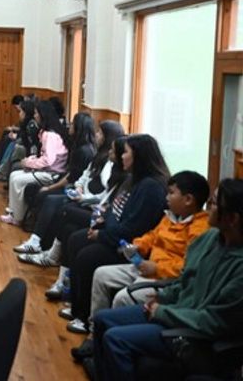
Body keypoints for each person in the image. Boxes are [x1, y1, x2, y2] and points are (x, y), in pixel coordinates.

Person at [89, 177, 243, 381]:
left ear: (232, 218)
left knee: (115, 339)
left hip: (192, 334)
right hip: (175, 310)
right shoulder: (208, 240)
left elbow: (213, 322)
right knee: (102, 320)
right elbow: (184, 280)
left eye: (214, 204)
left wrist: (162, 311)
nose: (208, 208)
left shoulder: (238, 267)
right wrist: (162, 298)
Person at [58, 133, 169, 334]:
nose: (122, 157)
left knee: (87, 256)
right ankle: (77, 306)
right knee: (75, 239)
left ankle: (85, 317)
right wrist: (101, 225)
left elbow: (134, 230)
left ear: (139, 156)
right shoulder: (133, 179)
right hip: (114, 234)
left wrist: (101, 234)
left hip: (130, 248)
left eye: (126, 152)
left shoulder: (151, 187)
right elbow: (113, 212)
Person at [90, 171, 210, 314]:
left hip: (166, 281)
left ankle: (112, 327)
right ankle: (95, 324)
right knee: (101, 274)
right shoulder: (170, 217)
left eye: (171, 193)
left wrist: (157, 268)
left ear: (188, 200)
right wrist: (138, 246)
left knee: (123, 298)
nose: (166, 197)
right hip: (146, 268)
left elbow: (189, 267)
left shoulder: (200, 230)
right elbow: (152, 236)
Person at [15, 120, 125, 257]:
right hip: (81, 194)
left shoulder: (109, 164)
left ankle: (43, 247)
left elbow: (104, 194)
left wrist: (82, 197)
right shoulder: (98, 155)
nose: (96, 135)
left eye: (99, 133)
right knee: (50, 200)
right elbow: (85, 175)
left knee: (55, 203)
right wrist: (79, 187)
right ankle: (37, 242)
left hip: (91, 204)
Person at [21, 112, 96, 229]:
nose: (69, 126)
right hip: (65, 180)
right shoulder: (78, 145)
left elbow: (71, 177)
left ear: (78, 128)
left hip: (72, 187)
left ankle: (39, 228)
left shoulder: (83, 151)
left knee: (44, 194)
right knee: (31, 188)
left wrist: (50, 187)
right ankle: (34, 220)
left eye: (72, 124)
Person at [1, 100, 69, 225]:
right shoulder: (48, 132)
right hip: (47, 170)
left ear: (43, 115)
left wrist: (28, 163)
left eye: (37, 113)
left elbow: (48, 160)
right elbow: (42, 156)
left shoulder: (50, 135)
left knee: (17, 180)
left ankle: (17, 217)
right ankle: (14, 211)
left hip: (52, 173)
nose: (35, 116)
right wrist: (29, 161)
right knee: (14, 175)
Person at [0, 99, 40, 182]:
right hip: (26, 147)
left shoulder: (31, 125)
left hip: (30, 151)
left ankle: (2, 170)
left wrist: (17, 138)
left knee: (15, 145)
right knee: (10, 140)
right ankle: (1, 167)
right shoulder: (27, 123)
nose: (19, 114)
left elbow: (30, 143)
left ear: (26, 113)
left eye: (21, 111)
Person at [0, 94, 25, 162]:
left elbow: (24, 130)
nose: (16, 109)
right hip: (20, 132)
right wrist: (14, 128)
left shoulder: (25, 112)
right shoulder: (22, 112)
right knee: (6, 131)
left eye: (16, 106)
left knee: (7, 137)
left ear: (20, 103)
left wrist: (14, 129)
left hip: (22, 135)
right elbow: (21, 126)